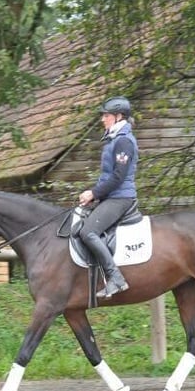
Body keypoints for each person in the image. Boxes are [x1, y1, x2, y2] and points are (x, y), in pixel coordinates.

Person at [78, 95, 139, 298]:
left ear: (118, 116)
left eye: (106, 115)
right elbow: (108, 175)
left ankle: (116, 278)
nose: (102, 119)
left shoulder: (123, 142)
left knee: (88, 232)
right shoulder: (114, 139)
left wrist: (94, 193)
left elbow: (118, 177)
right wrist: (95, 195)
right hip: (112, 196)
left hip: (121, 197)